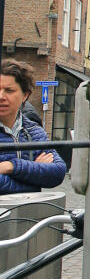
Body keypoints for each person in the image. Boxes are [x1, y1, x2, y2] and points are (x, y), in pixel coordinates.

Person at [0, 60, 66, 195]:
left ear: (25, 95)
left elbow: (58, 172)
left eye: (9, 90)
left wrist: (11, 166)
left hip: (27, 214)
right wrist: (34, 178)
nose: (1, 96)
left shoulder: (33, 131)